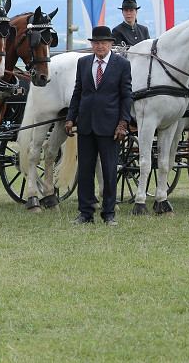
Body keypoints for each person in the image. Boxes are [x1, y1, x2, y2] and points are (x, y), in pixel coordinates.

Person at [64, 26, 132, 226]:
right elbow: (78, 92)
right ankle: (85, 213)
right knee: (84, 171)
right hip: (86, 125)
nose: (99, 46)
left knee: (110, 171)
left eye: (103, 43)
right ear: (91, 44)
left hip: (110, 127)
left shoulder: (122, 64)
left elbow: (127, 95)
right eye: (96, 43)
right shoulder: (83, 63)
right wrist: (70, 117)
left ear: (111, 44)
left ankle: (109, 214)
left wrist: (123, 123)